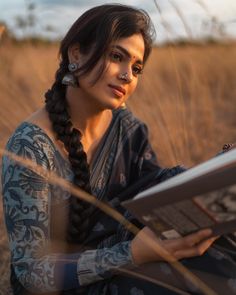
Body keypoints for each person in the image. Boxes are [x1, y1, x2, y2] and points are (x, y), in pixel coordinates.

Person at [2, 4, 236, 295]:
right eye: (116, 56)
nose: (128, 75)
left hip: (127, 249)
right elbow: (31, 274)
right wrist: (133, 254)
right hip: (68, 285)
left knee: (217, 251)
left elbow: (153, 191)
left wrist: (217, 174)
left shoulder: (126, 126)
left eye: (137, 68)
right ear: (76, 54)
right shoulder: (31, 148)